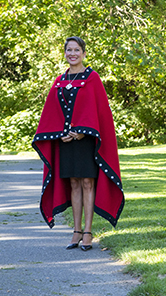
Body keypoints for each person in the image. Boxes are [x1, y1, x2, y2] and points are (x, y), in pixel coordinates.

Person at [32, 36, 124, 251]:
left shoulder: (92, 78)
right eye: (68, 50)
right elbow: (52, 112)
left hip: (85, 141)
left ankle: (88, 232)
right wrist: (59, 134)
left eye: (76, 50)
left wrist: (81, 133)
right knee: (73, 182)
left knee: (87, 183)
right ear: (65, 53)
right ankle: (76, 230)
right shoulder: (59, 80)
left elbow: (99, 112)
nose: (72, 54)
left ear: (83, 53)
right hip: (65, 142)